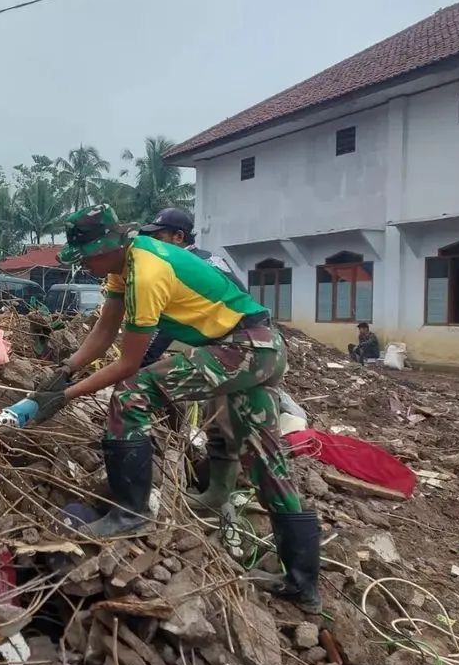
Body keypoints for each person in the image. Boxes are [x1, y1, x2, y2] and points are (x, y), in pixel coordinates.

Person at [31, 204, 320, 612]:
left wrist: (63, 398)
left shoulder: (147, 271)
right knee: (265, 459)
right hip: (261, 347)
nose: (84, 266)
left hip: (245, 348)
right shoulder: (124, 264)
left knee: (132, 392)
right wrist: (65, 371)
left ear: (107, 247)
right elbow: (104, 331)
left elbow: (129, 364)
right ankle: (304, 584)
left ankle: (130, 512)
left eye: (86, 258)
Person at [138, 208, 246, 367]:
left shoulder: (180, 267)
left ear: (179, 237)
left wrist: (142, 363)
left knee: (149, 382)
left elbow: (170, 323)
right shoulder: (210, 258)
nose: (155, 245)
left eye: (159, 238)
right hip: (255, 338)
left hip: (232, 346)